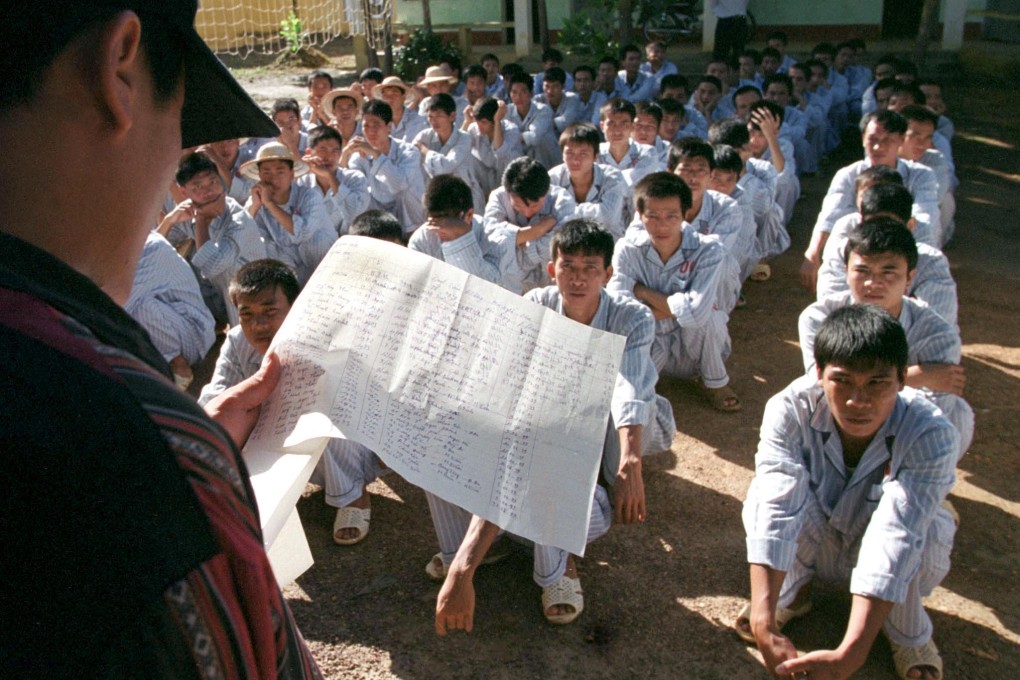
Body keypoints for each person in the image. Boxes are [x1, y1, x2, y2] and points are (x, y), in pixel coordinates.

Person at [0, 0, 321, 675]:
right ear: (119, 67)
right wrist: (181, 455)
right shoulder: (136, 463)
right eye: (180, 129)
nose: (174, 183)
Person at [432, 219, 676, 632]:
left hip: (602, 446)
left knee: (555, 457)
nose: (578, 279)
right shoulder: (538, 305)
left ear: (608, 274)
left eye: (590, 269)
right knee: (453, 432)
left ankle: (558, 569)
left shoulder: (631, 317)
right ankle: (471, 548)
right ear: (552, 269)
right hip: (548, 433)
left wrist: (631, 462)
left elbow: (631, 386)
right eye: (569, 267)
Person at [737, 304, 956, 680]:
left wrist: (851, 654)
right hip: (819, 536)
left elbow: (896, 532)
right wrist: (762, 619)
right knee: (762, 494)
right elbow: (777, 503)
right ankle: (793, 594)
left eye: (877, 383)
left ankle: (903, 630)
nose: (859, 401)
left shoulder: (930, 430)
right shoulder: (790, 409)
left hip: (878, 540)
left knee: (929, 532)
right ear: (819, 374)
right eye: (843, 381)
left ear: (902, 379)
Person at [800, 221, 973, 458]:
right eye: (862, 271)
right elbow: (819, 387)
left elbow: (931, 408)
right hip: (841, 421)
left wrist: (859, 383)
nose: (873, 283)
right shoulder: (818, 317)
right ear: (846, 271)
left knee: (957, 415)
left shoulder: (936, 332)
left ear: (909, 278)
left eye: (888, 273)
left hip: (903, 430)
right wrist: (912, 377)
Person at [609, 173, 741, 412]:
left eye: (671, 216)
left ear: (685, 214)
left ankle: (714, 381)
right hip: (650, 337)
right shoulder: (627, 249)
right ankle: (648, 380)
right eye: (653, 216)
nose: (662, 225)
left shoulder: (708, 249)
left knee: (711, 318)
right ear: (639, 215)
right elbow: (621, 309)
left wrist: (641, 290)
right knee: (629, 396)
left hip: (693, 342)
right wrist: (680, 307)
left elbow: (698, 315)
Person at [802, 110, 940, 291]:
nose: (878, 147)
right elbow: (830, 214)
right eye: (872, 139)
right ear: (862, 138)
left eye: (887, 140)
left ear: (900, 140)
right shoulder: (848, 174)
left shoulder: (922, 175)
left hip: (905, 238)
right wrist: (813, 254)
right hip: (860, 242)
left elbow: (925, 214)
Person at [817, 181, 958, 329]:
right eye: (862, 270)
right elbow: (832, 312)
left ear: (910, 225)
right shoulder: (843, 251)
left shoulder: (931, 260)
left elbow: (937, 321)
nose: (882, 231)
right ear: (860, 222)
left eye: (889, 272)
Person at [158, 151, 268, 325]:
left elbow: (211, 267)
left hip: (255, 300)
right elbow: (154, 250)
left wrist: (201, 220)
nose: (208, 190)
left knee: (233, 274)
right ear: (184, 192)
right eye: (197, 187)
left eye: (212, 181)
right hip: (221, 298)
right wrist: (168, 221)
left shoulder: (238, 220)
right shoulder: (189, 212)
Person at [125, 229, 217, 390]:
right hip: (174, 322)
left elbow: (122, 300)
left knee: (139, 307)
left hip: (194, 336)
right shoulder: (132, 244)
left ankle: (179, 367)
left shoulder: (151, 248)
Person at [240, 141, 336, 285]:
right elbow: (241, 232)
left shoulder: (309, 195)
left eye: (280, 171)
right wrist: (254, 206)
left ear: (291, 174)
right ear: (259, 175)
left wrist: (270, 204)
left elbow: (302, 232)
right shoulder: (256, 200)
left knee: (315, 240)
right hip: (290, 273)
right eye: (266, 172)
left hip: (325, 268)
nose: (274, 179)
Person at [483, 157, 577, 293]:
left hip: (549, 282)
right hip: (510, 284)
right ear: (508, 192)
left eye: (534, 206)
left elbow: (561, 246)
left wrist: (515, 242)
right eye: (519, 206)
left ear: (546, 192)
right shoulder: (498, 197)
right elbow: (491, 238)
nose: (527, 213)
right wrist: (537, 231)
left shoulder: (562, 201)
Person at [408, 174, 517, 290]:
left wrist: (460, 237)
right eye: (435, 223)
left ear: (469, 215)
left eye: (447, 224)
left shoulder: (497, 236)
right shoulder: (421, 241)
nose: (440, 229)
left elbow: (490, 286)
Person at [340, 99, 427, 235]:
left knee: (406, 192)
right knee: (361, 195)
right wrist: (345, 154)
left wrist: (375, 154)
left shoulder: (408, 151)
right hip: (381, 214)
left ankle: (410, 236)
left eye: (376, 125)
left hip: (411, 216)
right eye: (366, 126)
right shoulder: (359, 156)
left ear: (389, 127)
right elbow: (352, 187)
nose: (371, 131)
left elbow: (399, 184)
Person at [549, 122, 630, 239]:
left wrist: (566, 212)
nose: (575, 161)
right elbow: (545, 216)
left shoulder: (612, 177)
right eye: (569, 153)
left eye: (583, 154)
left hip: (606, 238)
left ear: (595, 156)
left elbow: (608, 217)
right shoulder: (553, 178)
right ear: (562, 155)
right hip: (567, 239)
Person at [412, 92, 484, 212]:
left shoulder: (464, 138)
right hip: (437, 198)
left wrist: (424, 149)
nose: (434, 121)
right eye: (430, 117)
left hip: (465, 198)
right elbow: (412, 156)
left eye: (439, 116)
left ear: (452, 116)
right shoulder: (425, 135)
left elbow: (447, 166)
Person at [298, 125, 371, 236]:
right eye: (323, 150)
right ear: (309, 153)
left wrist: (330, 177)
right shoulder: (301, 182)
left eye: (335, 151)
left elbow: (354, 213)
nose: (329, 157)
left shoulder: (355, 178)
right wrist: (299, 170)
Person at [464, 96, 525, 200]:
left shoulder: (511, 129)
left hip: (506, 178)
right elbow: (459, 146)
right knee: (466, 156)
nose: (479, 126)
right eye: (477, 122)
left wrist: (497, 121)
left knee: (511, 156)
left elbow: (500, 151)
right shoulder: (474, 128)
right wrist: (467, 121)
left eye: (484, 122)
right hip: (485, 180)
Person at [599, 97, 663, 188]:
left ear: (632, 126)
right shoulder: (594, 152)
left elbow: (634, 185)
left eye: (624, 124)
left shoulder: (647, 153)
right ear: (602, 126)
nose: (617, 131)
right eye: (611, 124)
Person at [505, 72, 560, 169]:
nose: (518, 96)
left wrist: (512, 135)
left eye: (523, 92)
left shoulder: (543, 110)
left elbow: (534, 137)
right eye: (514, 92)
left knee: (541, 141)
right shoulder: (506, 111)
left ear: (531, 93)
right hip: (521, 160)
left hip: (546, 159)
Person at [373, 75, 429, 142]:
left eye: (394, 94)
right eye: (385, 95)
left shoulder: (418, 121)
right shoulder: (378, 122)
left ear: (403, 96)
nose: (389, 99)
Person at [534, 66, 581, 136]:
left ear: (563, 86)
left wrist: (543, 123)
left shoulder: (572, 98)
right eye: (547, 86)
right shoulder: (537, 100)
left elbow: (567, 120)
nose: (550, 91)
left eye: (555, 86)